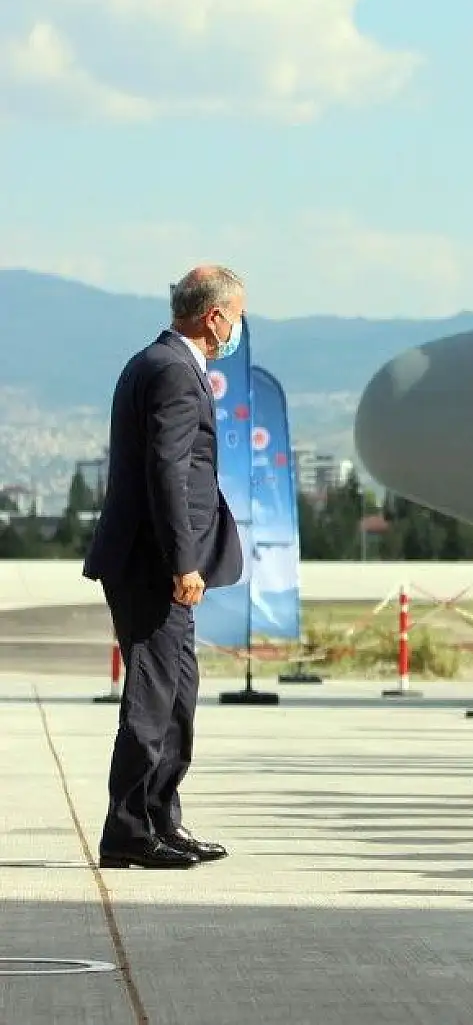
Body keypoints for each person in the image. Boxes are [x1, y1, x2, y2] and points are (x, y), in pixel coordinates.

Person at [83, 265, 247, 869]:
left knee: (178, 694)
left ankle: (159, 818)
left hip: (157, 562)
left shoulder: (158, 363)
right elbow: (168, 472)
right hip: (154, 565)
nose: (238, 327)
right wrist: (184, 562)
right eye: (237, 315)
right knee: (153, 697)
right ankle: (126, 830)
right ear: (214, 317)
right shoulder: (173, 371)